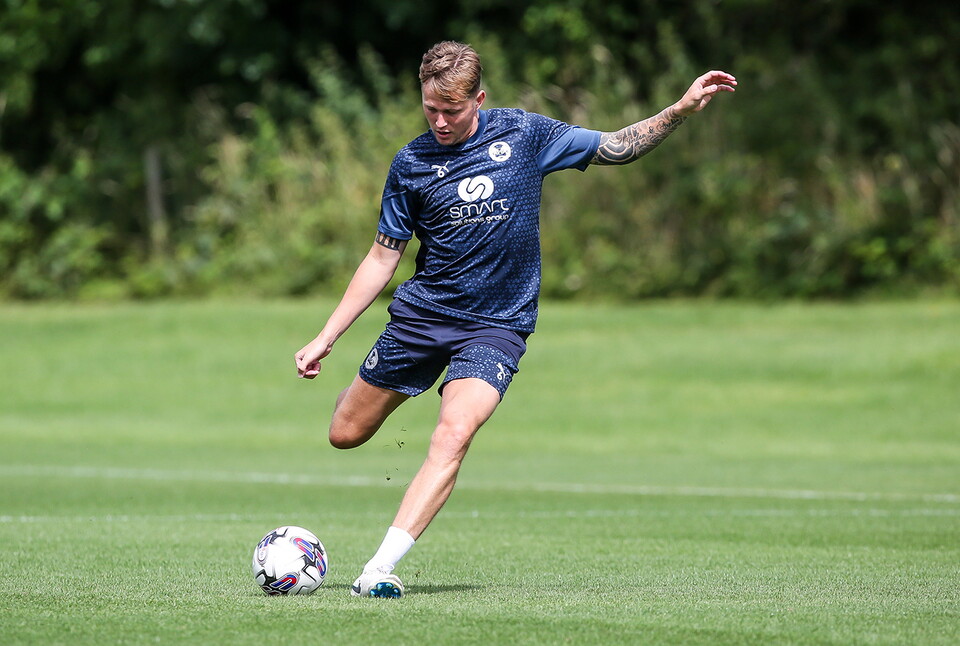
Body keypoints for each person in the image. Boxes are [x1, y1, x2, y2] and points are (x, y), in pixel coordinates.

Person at [295, 41, 735, 598]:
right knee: (345, 433)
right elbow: (383, 256)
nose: (440, 121)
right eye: (430, 109)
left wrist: (677, 110)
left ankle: (378, 569)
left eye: (452, 110)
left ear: (479, 99)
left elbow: (616, 146)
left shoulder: (524, 136)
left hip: (497, 325)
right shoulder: (411, 164)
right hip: (423, 315)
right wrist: (326, 335)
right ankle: (379, 384)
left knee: (454, 433)